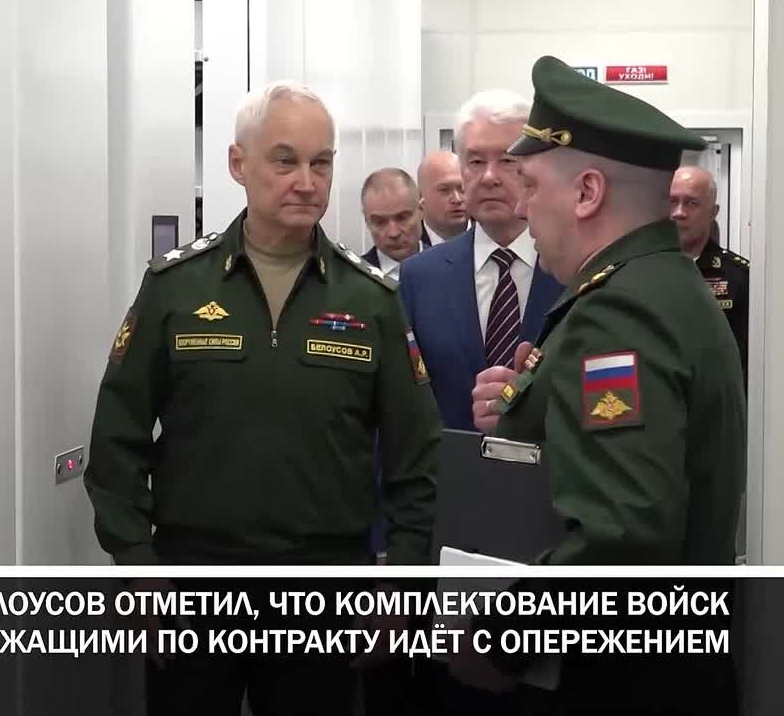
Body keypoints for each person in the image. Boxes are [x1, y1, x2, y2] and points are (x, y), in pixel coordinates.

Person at [83, 80, 442, 716]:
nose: (306, 181)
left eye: (321, 163)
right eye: (284, 160)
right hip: (194, 586)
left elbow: (416, 454)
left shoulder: (370, 298)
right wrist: (137, 562)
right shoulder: (176, 286)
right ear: (237, 163)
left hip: (326, 590)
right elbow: (118, 435)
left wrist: (403, 578)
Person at [457, 55, 744, 714]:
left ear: (587, 193)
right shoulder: (661, 284)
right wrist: (528, 407)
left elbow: (623, 536)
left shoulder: (617, 312)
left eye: (531, 185)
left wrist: (497, 641)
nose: (522, 208)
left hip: (620, 683)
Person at [398, 89, 565, 430]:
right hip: (452, 463)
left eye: (507, 160)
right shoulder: (419, 277)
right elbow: (401, 405)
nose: (489, 177)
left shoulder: (575, 272)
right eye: (475, 162)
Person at [671, 165, 750, 381]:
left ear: (713, 213)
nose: (679, 212)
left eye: (692, 203)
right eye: (672, 201)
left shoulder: (740, 277)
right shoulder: (638, 272)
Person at [360, 168, 425, 280]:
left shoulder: (450, 269)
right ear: (367, 221)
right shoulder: (353, 279)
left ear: (421, 211)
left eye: (402, 218)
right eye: (380, 222)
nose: (393, 233)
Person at [416, 150, 469, 246]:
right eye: (444, 190)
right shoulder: (407, 246)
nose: (457, 199)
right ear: (420, 196)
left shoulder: (491, 235)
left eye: (462, 188)